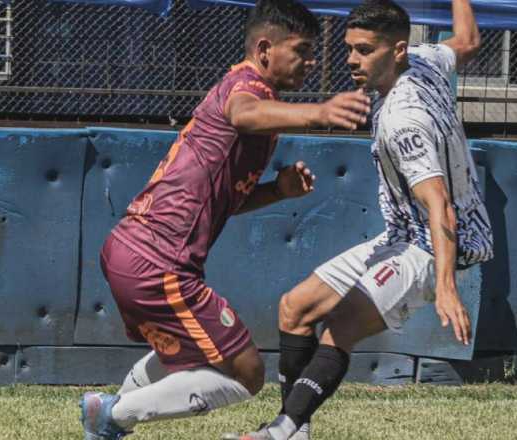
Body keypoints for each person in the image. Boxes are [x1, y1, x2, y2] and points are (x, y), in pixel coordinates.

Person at [79, 1, 371, 438]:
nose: (311, 62)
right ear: (265, 48)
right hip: (158, 261)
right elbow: (242, 113)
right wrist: (320, 112)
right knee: (247, 373)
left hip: (134, 251)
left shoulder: (256, 96)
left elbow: (224, 199)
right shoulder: (246, 86)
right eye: (303, 50)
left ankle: (110, 420)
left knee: (194, 350)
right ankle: (111, 415)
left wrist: (277, 191)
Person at [228, 0, 491, 438]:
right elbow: (467, 42)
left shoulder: (404, 121)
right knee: (295, 308)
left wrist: (445, 286)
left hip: (435, 246)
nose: (352, 59)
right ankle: (297, 428)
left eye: (365, 50)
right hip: (402, 234)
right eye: (350, 48)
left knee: (343, 324)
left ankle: (282, 431)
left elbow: (439, 204)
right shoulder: (425, 60)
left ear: (398, 50)